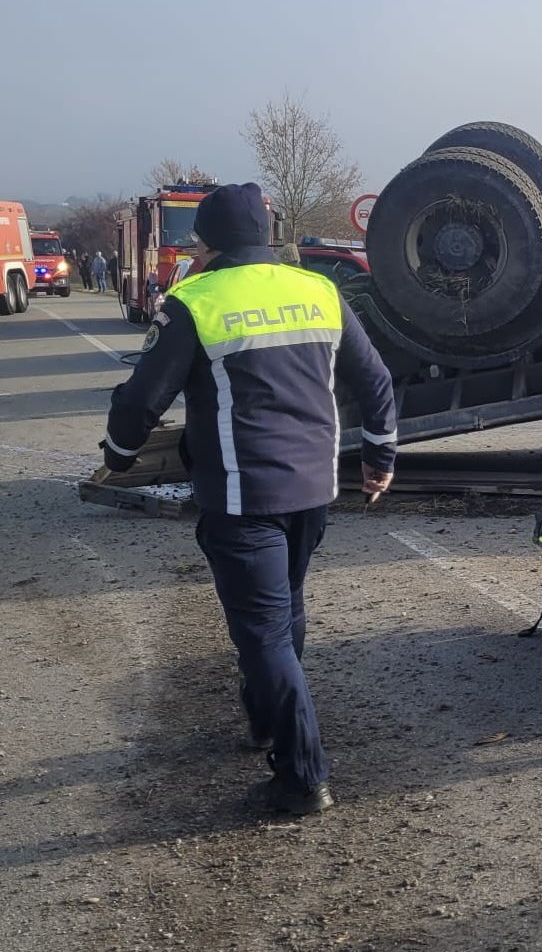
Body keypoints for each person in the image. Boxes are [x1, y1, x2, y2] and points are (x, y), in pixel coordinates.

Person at [100, 183, 398, 815]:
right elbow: (374, 378)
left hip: (242, 495)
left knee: (263, 633)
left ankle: (302, 774)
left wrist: (117, 456)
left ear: (205, 244)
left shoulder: (194, 302)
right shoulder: (320, 290)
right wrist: (380, 458)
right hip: (314, 488)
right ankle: (266, 720)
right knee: (284, 610)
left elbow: (140, 401)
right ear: (266, 235)